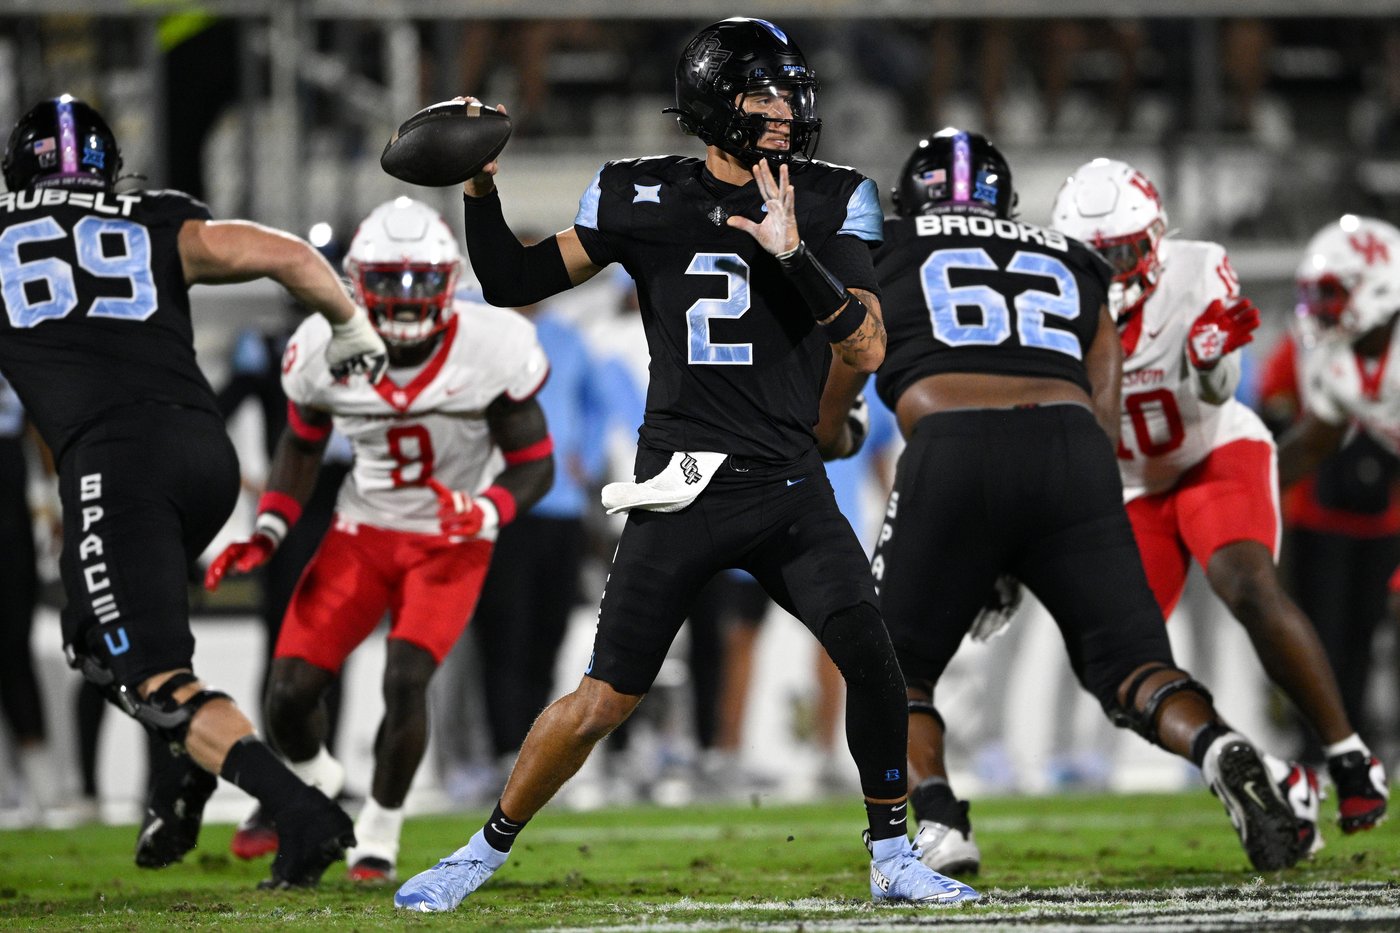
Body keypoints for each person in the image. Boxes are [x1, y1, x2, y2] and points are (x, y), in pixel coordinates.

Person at [394, 17, 980, 911]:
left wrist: (794, 256)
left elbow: (865, 344)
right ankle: (480, 850)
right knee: (602, 700)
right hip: (683, 484)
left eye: (790, 94)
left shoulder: (831, 197)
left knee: (873, 656)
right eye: (762, 95)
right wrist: (480, 184)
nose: (783, 112)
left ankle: (893, 854)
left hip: (788, 482)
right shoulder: (641, 195)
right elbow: (512, 281)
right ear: (712, 105)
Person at [853, 128, 1302, 877]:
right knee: (1132, 667)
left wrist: (831, 428)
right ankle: (1218, 745)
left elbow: (848, 361)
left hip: (953, 445)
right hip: (1074, 454)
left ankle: (938, 820)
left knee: (890, 668)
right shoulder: (1071, 256)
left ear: (911, 200)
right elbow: (1105, 412)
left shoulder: (885, 245)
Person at [0, 95, 389, 887]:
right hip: (201, 452)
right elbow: (288, 255)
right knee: (103, 641)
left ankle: (300, 810)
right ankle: (182, 774)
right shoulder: (155, 217)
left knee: (142, 668)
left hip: (116, 460)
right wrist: (352, 328)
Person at [204, 197, 554, 884]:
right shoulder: (321, 346)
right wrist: (269, 528)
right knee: (288, 693)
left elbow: (535, 461)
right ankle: (324, 783)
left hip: (449, 537)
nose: (404, 295)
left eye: (419, 279)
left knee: (405, 676)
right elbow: (301, 446)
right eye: (389, 279)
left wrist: (487, 508)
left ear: (447, 282)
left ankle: (380, 833)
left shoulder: (492, 343)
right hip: (361, 531)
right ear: (356, 283)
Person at [1051, 163, 1388, 851]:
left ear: (1156, 238)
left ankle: (1349, 754)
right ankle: (1263, 769)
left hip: (1213, 454)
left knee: (1246, 585)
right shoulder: (1049, 300)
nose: (1112, 270)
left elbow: (1220, 387)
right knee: (1114, 665)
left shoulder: (1197, 268)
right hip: (1131, 487)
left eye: (1124, 251)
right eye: (1096, 256)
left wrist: (1207, 361)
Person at [1273, 214, 1400, 831]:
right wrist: (1240, 495)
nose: (1319, 308)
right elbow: (1313, 443)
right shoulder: (1340, 359)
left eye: (1332, 292)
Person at [1257, 328, 1400, 762]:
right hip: (1317, 517)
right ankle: (1317, 743)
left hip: (1383, 519)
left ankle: (1354, 741)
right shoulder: (1305, 341)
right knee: (1320, 637)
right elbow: (1272, 406)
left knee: (1364, 638)